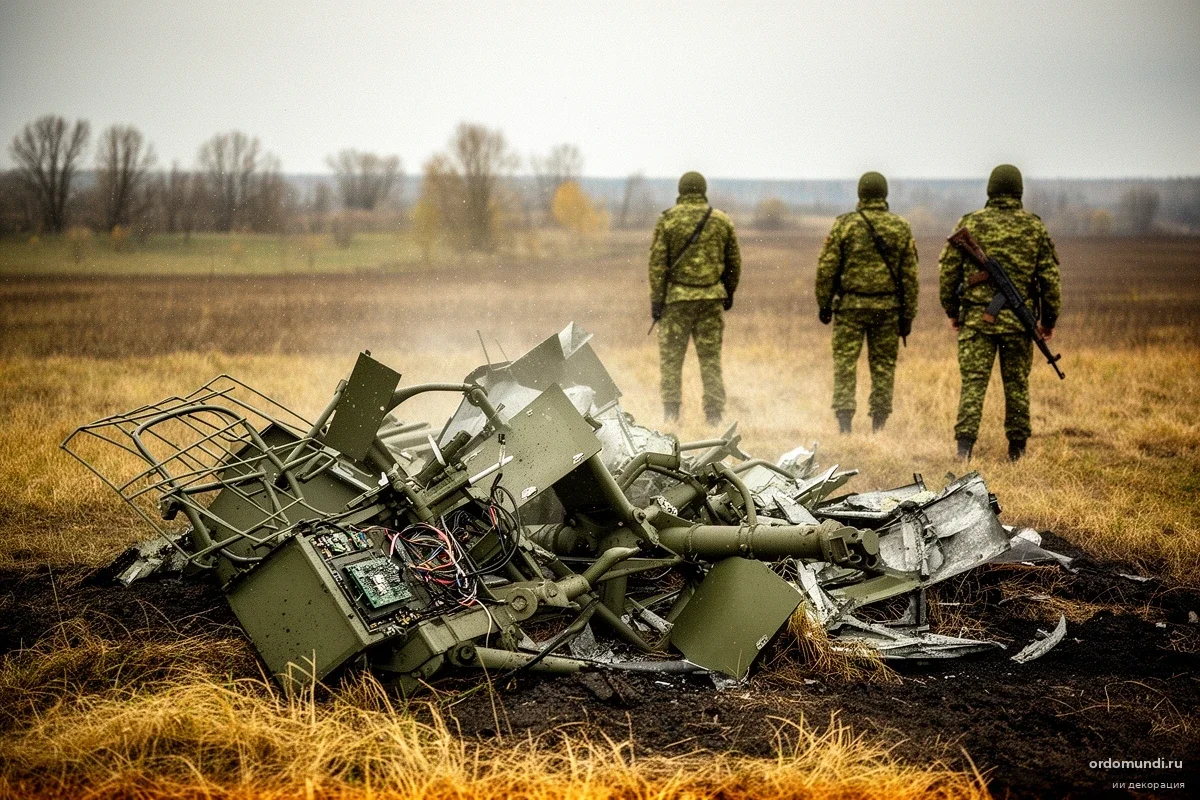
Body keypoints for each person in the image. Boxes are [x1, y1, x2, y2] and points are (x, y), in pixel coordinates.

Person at [938, 164, 1062, 461]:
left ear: (990, 190)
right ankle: (1017, 450)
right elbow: (1050, 280)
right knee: (1017, 386)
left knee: (973, 385)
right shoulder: (1033, 227)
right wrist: (1048, 320)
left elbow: (948, 274)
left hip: (977, 322)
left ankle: (964, 448)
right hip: (1019, 326)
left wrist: (953, 312)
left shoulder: (971, 222)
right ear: (1019, 190)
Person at [815, 171, 918, 434]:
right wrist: (908, 315)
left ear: (860, 194)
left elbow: (827, 268)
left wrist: (824, 304)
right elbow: (909, 276)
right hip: (888, 310)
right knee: (883, 367)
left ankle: (845, 425)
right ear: (884, 194)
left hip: (850, 308)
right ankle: (879, 427)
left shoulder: (845, 225)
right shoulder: (900, 227)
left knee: (845, 365)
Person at [649, 171, 741, 425]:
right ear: (703, 190)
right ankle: (714, 416)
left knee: (671, 360)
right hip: (711, 300)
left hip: (676, 301)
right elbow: (734, 262)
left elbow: (657, 264)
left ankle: (671, 414)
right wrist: (728, 291)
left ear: (680, 191)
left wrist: (657, 301)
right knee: (710, 360)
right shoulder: (720, 221)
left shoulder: (667, 220)